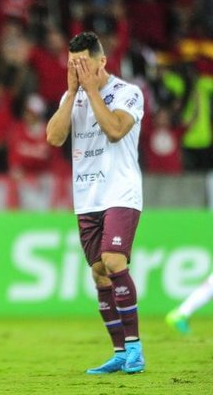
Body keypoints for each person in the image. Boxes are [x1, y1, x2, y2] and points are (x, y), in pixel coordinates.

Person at [45, 32, 146, 375]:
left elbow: (116, 130)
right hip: (86, 196)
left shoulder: (127, 93)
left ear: (101, 61)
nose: (78, 70)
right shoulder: (71, 96)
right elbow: (54, 137)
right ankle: (119, 352)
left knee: (113, 259)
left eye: (83, 64)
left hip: (120, 191)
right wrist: (73, 92)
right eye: (72, 65)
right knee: (99, 272)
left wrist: (89, 90)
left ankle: (135, 349)